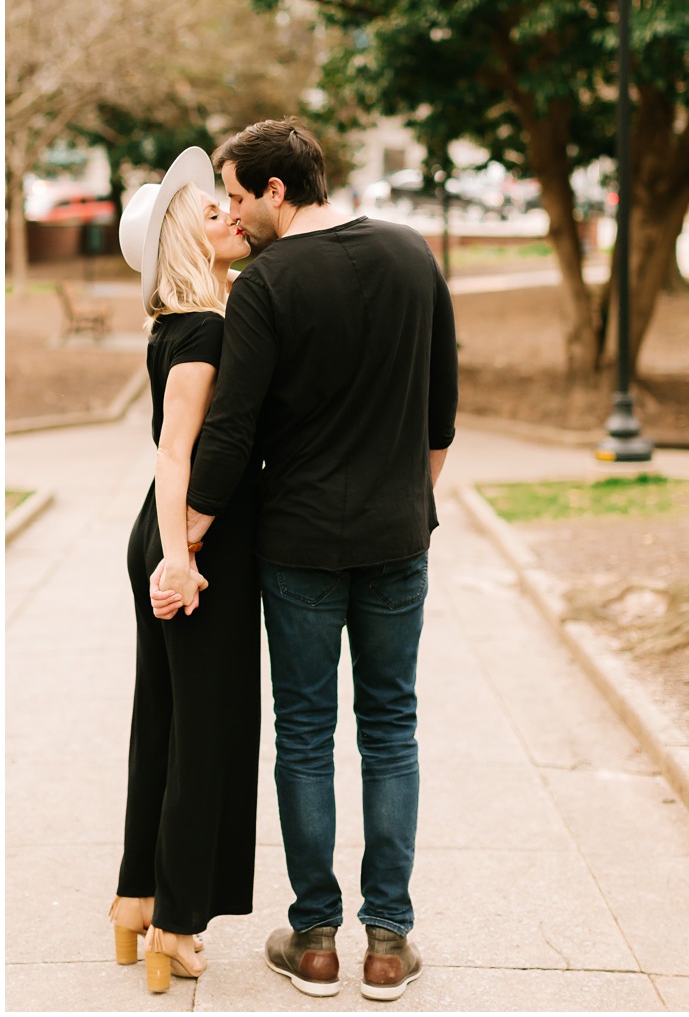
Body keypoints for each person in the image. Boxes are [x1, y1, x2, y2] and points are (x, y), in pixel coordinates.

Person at [151, 119, 460, 1001]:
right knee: (392, 729)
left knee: (305, 734)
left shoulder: (265, 285)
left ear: (278, 191)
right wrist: (413, 500)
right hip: (399, 538)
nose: (234, 215)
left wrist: (188, 537)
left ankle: (316, 935)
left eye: (240, 196)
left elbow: (230, 435)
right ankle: (390, 942)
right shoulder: (412, 255)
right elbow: (440, 414)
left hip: (299, 545)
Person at [110, 146, 259, 994]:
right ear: (181, 240)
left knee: (162, 721)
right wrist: (180, 557)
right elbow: (176, 451)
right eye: (211, 213)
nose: (229, 217)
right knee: (207, 733)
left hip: (171, 538)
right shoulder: (202, 328)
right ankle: (176, 924)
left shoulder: (182, 322)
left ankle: (135, 900)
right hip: (191, 544)